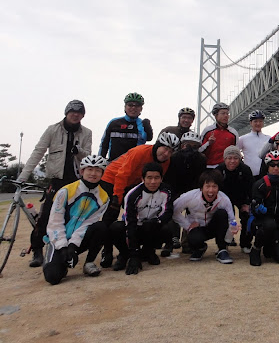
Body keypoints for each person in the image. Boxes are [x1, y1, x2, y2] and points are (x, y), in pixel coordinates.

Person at [18, 99, 92, 267]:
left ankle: (64, 251)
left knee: (71, 217)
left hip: (76, 181)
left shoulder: (86, 133)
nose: (75, 115)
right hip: (57, 180)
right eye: (72, 111)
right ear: (66, 113)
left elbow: (87, 156)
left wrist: (78, 151)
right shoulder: (52, 130)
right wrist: (24, 175)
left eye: (79, 112)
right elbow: (38, 152)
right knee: (45, 216)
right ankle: (37, 251)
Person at [99, 132, 179, 267]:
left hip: (133, 183)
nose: (166, 153)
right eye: (165, 148)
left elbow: (157, 181)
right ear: (157, 145)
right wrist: (116, 199)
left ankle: (145, 249)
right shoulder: (140, 152)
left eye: (170, 151)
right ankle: (106, 251)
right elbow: (122, 175)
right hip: (112, 179)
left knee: (140, 215)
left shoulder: (166, 161)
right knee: (110, 217)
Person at [42, 155, 110, 285]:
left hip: (78, 240)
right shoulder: (66, 191)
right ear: (82, 171)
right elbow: (55, 222)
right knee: (53, 277)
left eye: (98, 170)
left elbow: (88, 223)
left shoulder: (104, 197)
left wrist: (73, 246)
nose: (93, 174)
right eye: (89, 169)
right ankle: (61, 262)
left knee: (101, 227)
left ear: (102, 173)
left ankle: (89, 263)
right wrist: (62, 247)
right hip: (57, 239)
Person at [110, 162, 174, 274]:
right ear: (142, 178)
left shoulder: (166, 191)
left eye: (156, 178)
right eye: (149, 178)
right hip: (134, 228)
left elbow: (167, 212)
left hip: (152, 227)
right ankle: (125, 254)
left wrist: (158, 221)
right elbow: (130, 223)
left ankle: (148, 251)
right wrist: (134, 255)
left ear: (161, 178)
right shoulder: (133, 195)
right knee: (115, 228)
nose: (153, 182)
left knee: (166, 228)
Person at [172, 169, 239, 264]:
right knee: (193, 239)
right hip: (197, 228)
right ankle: (200, 248)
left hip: (214, 227)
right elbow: (174, 211)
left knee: (222, 213)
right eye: (207, 186)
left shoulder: (224, 199)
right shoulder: (189, 196)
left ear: (219, 188)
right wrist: (188, 226)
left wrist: (229, 236)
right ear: (201, 187)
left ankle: (222, 250)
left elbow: (231, 220)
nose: (211, 190)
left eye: (214, 186)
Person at [161, 130, 207, 255]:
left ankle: (187, 243)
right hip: (175, 188)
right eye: (187, 145)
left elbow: (200, 177)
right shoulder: (173, 157)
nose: (190, 148)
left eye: (195, 146)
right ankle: (169, 242)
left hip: (192, 189)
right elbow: (169, 177)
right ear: (182, 145)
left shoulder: (202, 159)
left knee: (193, 214)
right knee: (170, 213)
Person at [247, 151, 279, 266]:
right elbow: (254, 207)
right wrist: (258, 208)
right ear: (267, 167)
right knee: (269, 224)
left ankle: (270, 246)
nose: (276, 168)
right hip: (262, 222)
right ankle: (256, 248)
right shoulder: (259, 184)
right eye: (272, 165)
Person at [216, 146, 255, 252]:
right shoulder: (219, 170)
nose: (232, 161)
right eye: (229, 158)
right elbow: (215, 190)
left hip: (242, 198)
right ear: (224, 159)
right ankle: (224, 245)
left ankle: (245, 244)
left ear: (240, 159)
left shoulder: (245, 169)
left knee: (248, 217)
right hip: (225, 199)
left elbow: (251, 189)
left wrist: (247, 204)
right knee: (223, 217)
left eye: (235, 158)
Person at [99, 92, 153, 161]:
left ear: (141, 109)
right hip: (113, 164)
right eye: (130, 105)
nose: (133, 108)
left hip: (132, 165)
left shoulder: (142, 125)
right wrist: (100, 162)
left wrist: (148, 127)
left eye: (137, 106)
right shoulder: (114, 123)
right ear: (125, 107)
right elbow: (104, 144)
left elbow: (148, 138)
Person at [200, 102, 239, 168]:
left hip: (226, 168)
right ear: (215, 115)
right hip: (209, 168)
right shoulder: (207, 131)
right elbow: (199, 150)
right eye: (223, 113)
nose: (226, 116)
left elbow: (236, 152)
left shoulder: (233, 133)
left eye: (227, 113)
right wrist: (208, 143)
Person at [237, 110, 270, 178]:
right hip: (248, 175)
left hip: (265, 174)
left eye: (260, 121)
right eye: (255, 121)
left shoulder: (269, 139)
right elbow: (234, 152)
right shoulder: (243, 139)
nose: (258, 123)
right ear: (250, 123)